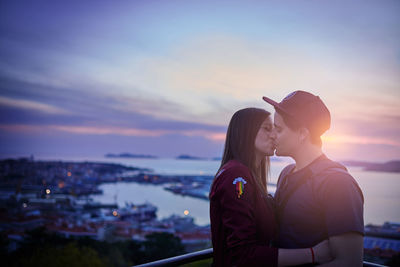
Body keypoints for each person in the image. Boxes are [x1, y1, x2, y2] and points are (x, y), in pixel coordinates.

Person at [209, 108, 332, 267]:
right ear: (246, 132)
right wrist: (313, 254)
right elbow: (243, 255)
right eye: (267, 128)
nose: (274, 135)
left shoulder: (249, 175)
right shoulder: (236, 176)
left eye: (275, 128)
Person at [263, 91, 364, 266]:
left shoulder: (337, 183)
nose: (272, 135)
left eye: (278, 129)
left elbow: (350, 262)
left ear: (302, 134)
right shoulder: (286, 173)